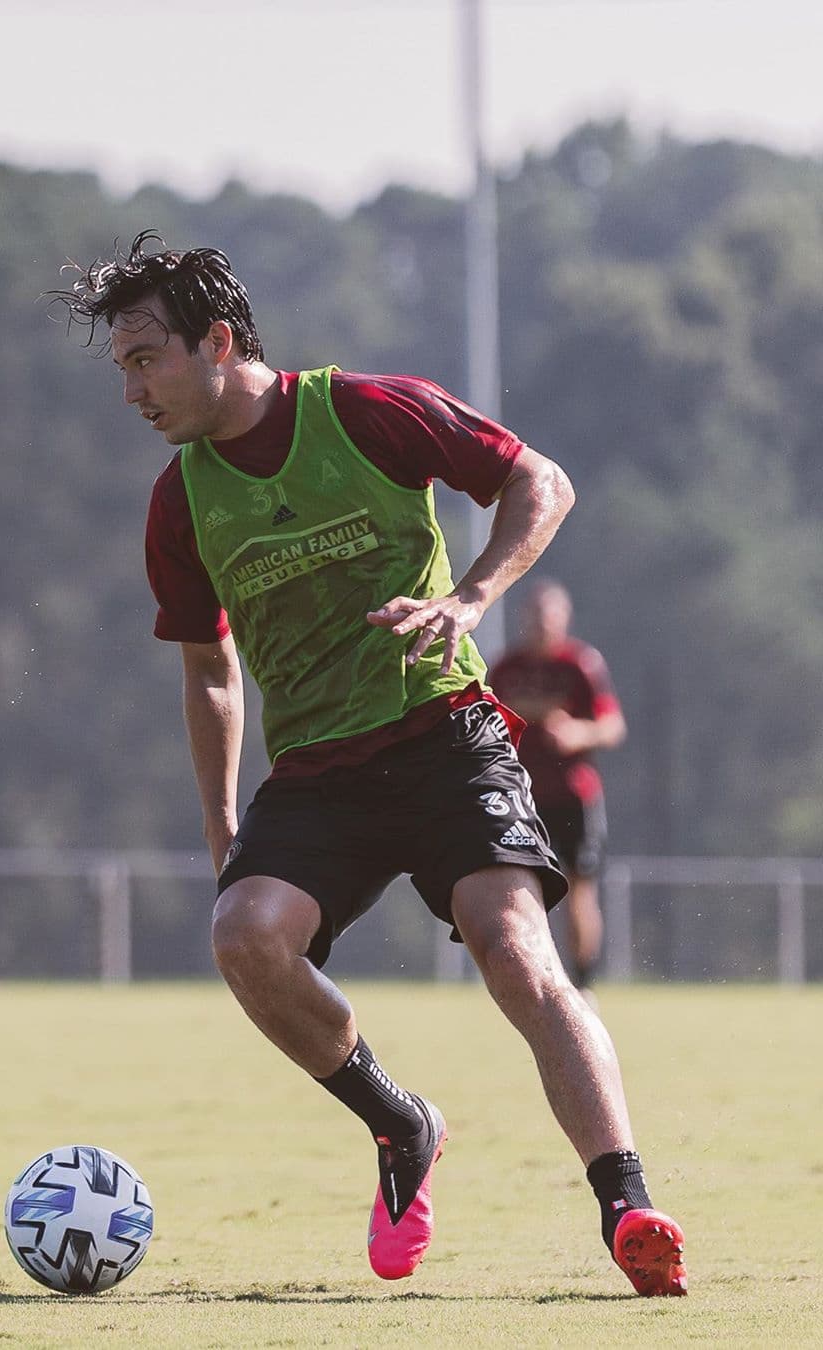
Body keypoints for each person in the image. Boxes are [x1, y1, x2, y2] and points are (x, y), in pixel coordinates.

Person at [51, 231, 686, 1296]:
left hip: (446, 735)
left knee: (516, 952)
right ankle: (402, 1124)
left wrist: (473, 595)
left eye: (144, 358)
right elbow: (210, 669)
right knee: (244, 937)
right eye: (120, 367)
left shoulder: (367, 411)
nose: (131, 391)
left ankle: (629, 1207)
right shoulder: (180, 501)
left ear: (218, 342)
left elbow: (542, 481)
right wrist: (221, 824)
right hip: (316, 774)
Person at [490, 580, 627, 996]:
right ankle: (539, 981)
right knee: (521, 893)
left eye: (549, 619)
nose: (541, 626)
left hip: (574, 798)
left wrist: (577, 734)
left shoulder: (581, 666)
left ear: (563, 620)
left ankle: (583, 985)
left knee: (579, 890)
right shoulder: (506, 668)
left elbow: (612, 726)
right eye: (534, 617)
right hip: (521, 797)